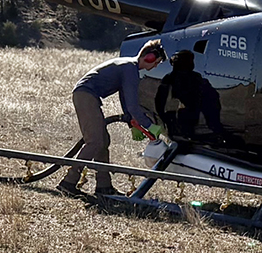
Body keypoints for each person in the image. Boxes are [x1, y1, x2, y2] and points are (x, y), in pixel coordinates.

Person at [58, 39, 166, 199]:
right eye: (156, 63)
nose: (155, 66)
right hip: (85, 95)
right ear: (149, 58)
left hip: (88, 95)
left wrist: (131, 122)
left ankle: (104, 186)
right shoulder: (130, 69)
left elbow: (126, 99)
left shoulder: (128, 66)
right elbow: (133, 106)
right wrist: (149, 125)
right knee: (94, 141)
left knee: (103, 141)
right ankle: (68, 183)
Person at [154, 48, 223, 139]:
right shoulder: (171, 78)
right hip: (179, 115)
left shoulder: (194, 78)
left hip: (189, 113)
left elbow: (211, 98)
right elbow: (160, 100)